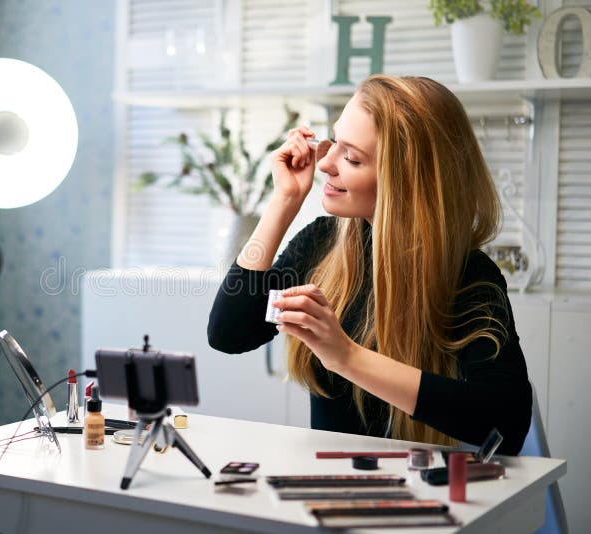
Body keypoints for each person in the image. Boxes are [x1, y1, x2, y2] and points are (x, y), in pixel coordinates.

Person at [207, 74, 532, 455]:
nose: (325, 163)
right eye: (333, 142)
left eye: (352, 157)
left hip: (416, 498)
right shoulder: (322, 243)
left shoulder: (468, 277)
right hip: (325, 487)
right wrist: (284, 201)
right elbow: (228, 333)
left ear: (406, 179)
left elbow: (506, 425)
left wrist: (347, 357)